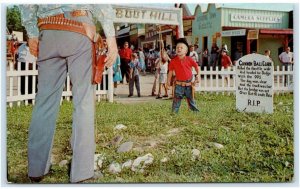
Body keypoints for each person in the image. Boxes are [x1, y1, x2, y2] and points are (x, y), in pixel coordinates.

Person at [19, 5, 118, 183]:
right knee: (84, 101)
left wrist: (32, 32)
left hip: (47, 29)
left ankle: (36, 169)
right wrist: (111, 37)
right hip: (79, 27)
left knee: (44, 102)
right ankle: (82, 173)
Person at [167, 38, 200, 113]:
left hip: (189, 84)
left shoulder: (189, 59)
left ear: (186, 51)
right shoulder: (173, 61)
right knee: (176, 101)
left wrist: (198, 75)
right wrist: (168, 82)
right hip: (178, 84)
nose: (179, 49)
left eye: (181, 47)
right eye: (177, 47)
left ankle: (195, 112)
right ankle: (174, 114)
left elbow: (196, 67)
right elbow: (170, 72)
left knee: (191, 100)